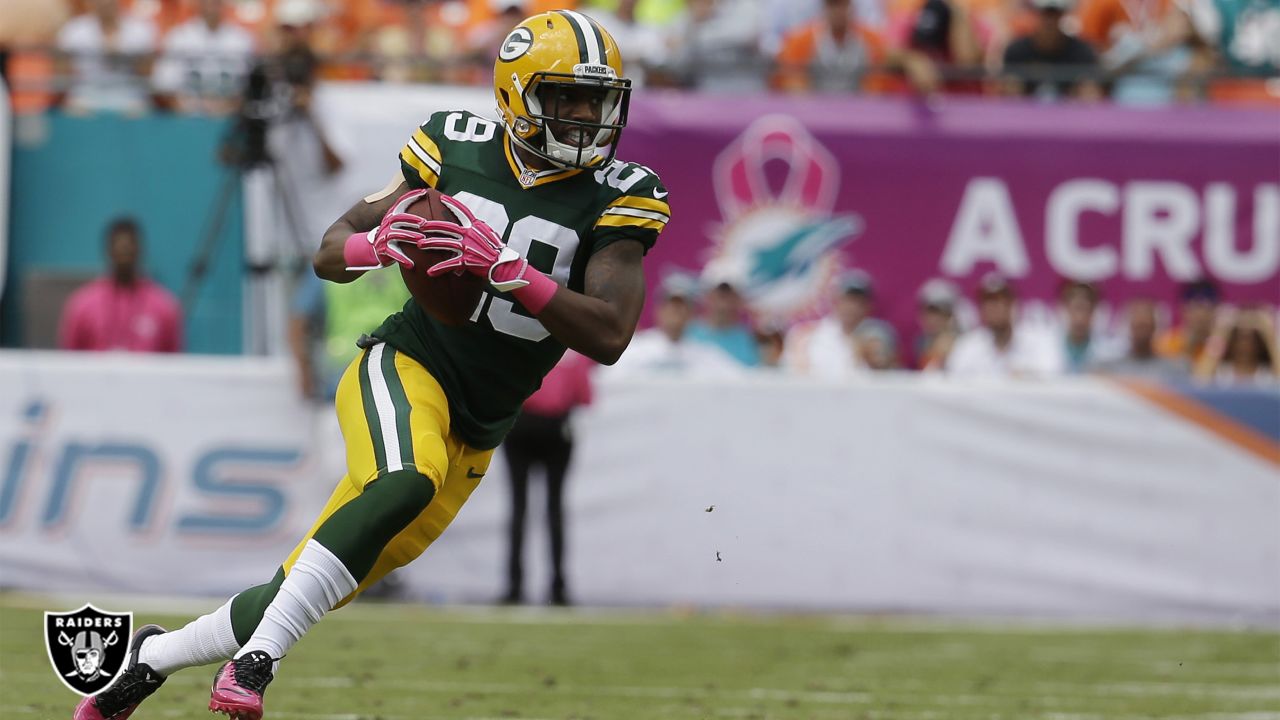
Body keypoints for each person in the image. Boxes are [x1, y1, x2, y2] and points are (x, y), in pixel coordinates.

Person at [73, 11, 670, 720]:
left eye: (596, 101)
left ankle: (150, 659)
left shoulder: (622, 192)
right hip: (407, 363)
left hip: (481, 426)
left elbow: (609, 334)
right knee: (403, 480)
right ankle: (256, 665)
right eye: (566, 98)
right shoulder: (455, 146)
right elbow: (331, 250)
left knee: (309, 583)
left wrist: (510, 272)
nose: (584, 117)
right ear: (516, 97)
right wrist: (382, 241)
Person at [499, 350, 593, 606]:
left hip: (529, 425)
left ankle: (519, 587)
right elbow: (585, 396)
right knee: (549, 508)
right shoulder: (572, 345)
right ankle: (554, 587)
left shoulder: (523, 336)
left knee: (526, 507)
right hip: (545, 427)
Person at [58, 218, 183, 353]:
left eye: (129, 245)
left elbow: (173, 362)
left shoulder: (163, 306)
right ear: (108, 250)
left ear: (140, 249)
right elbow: (69, 359)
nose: (124, 251)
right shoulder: (82, 304)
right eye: (119, 245)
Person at [773, 0, 940, 94]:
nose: (838, 11)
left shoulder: (868, 38)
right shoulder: (800, 41)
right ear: (824, 8)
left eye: (843, 4)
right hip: (816, 121)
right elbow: (791, 86)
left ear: (851, 6)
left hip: (859, 119)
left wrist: (914, 60)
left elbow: (890, 55)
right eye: (833, 5)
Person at [606, 272, 744, 378]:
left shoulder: (706, 355)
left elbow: (742, 382)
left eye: (682, 306)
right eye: (671, 306)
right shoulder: (634, 350)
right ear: (659, 311)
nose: (676, 312)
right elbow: (607, 381)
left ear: (691, 314)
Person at [945, 273, 1065, 378]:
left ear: (1013, 305)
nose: (996, 308)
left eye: (1002, 301)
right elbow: (954, 386)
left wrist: (1024, 377)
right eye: (989, 301)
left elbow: (1052, 380)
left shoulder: (1038, 341)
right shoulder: (968, 346)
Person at [784, 269, 899, 378]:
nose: (852, 307)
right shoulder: (805, 335)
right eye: (847, 300)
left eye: (859, 302)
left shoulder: (879, 337)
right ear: (835, 301)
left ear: (869, 306)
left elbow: (890, 379)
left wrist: (875, 363)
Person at [151, 0, 255, 114]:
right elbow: (164, 84)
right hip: (187, 116)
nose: (213, 5)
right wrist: (184, 110)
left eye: (217, 2)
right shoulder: (179, 37)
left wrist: (230, 106)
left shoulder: (242, 39)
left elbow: (249, 87)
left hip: (229, 117)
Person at [55, 0, 156, 114]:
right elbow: (62, 70)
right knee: (74, 110)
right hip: (86, 93)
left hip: (128, 94)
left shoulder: (140, 28)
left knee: (139, 111)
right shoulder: (75, 28)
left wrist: (121, 55)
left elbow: (147, 73)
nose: (105, 3)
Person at [1000, 0, 1103, 100]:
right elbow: (1008, 93)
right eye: (1045, 13)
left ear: (1062, 15)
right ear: (1036, 13)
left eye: (1055, 14)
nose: (1049, 20)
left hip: (1069, 113)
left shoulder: (1082, 52)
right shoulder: (1016, 51)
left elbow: (1091, 94)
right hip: (1024, 114)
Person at [1092, 298, 1189, 381]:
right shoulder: (1107, 369)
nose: (1141, 324)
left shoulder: (1175, 369)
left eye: (1145, 325)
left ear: (1156, 326)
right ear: (1127, 326)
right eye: (1137, 324)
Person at [686, 273, 761, 367]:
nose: (723, 303)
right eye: (720, 295)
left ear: (738, 300)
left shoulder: (750, 341)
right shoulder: (688, 334)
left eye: (728, 296)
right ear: (708, 297)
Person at [1193, 307, 1279, 385]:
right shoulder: (1222, 372)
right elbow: (1198, 381)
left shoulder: (1267, 373)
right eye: (1239, 337)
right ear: (1232, 341)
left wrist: (1269, 334)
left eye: (1252, 338)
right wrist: (1221, 332)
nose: (1245, 344)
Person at [1157, 279, 1220, 366]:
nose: (1201, 314)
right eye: (1197, 307)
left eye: (1207, 308)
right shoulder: (1165, 344)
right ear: (1183, 309)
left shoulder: (1221, 346)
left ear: (1216, 310)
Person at [912, 277, 960, 371]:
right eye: (929, 312)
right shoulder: (921, 342)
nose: (933, 319)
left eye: (939, 313)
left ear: (950, 315)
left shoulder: (963, 343)